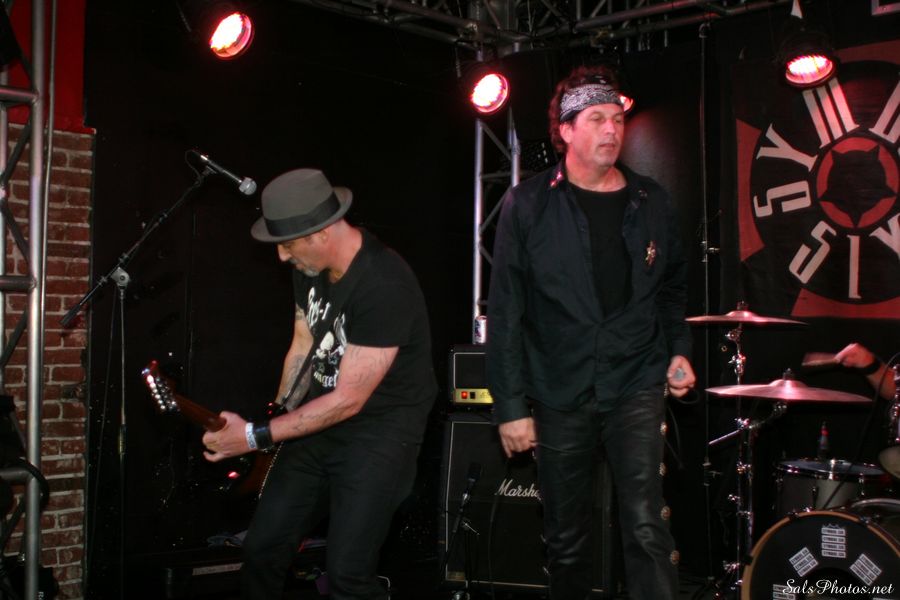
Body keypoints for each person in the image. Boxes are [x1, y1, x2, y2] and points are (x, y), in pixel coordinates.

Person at [486, 64, 696, 600]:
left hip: (636, 379)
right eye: (597, 119)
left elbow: (672, 289)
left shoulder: (651, 200)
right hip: (559, 388)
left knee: (646, 525)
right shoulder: (527, 203)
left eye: (617, 119)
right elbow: (506, 312)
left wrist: (679, 350)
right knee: (567, 539)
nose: (611, 129)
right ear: (566, 130)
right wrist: (510, 407)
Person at [202, 168, 437, 600]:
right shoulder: (310, 266)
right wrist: (275, 416)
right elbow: (303, 344)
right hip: (319, 426)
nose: (281, 257)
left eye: (287, 245)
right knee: (262, 548)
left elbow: (349, 400)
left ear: (321, 233)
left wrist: (253, 436)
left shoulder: (384, 283)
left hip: (378, 435)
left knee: (348, 575)